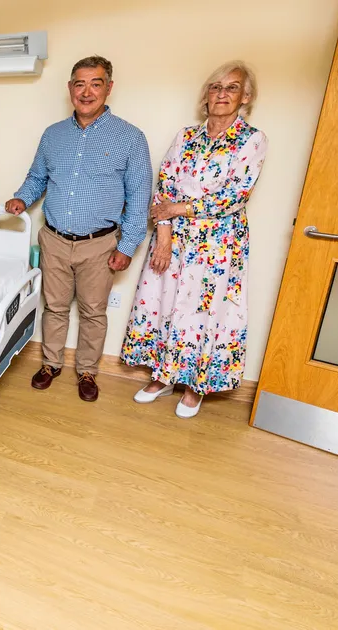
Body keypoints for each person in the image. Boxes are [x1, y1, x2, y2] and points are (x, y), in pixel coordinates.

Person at [122, 62, 268, 418]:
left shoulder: (253, 139)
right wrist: (164, 236)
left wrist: (177, 208)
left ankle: (193, 385)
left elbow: (234, 196)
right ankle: (163, 376)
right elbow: (165, 185)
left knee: (204, 312)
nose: (221, 94)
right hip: (175, 236)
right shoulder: (185, 136)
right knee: (165, 303)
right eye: (215, 87)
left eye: (231, 88)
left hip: (218, 243)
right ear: (206, 95)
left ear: (245, 97)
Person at [6, 55, 152, 402]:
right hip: (53, 238)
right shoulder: (53, 135)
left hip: (99, 245)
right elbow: (37, 178)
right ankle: (50, 364)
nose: (86, 92)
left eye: (95, 83)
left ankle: (88, 370)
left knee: (93, 312)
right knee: (54, 307)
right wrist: (21, 200)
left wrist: (127, 246)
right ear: (71, 88)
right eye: (79, 84)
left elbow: (139, 195)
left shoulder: (130, 138)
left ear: (108, 88)